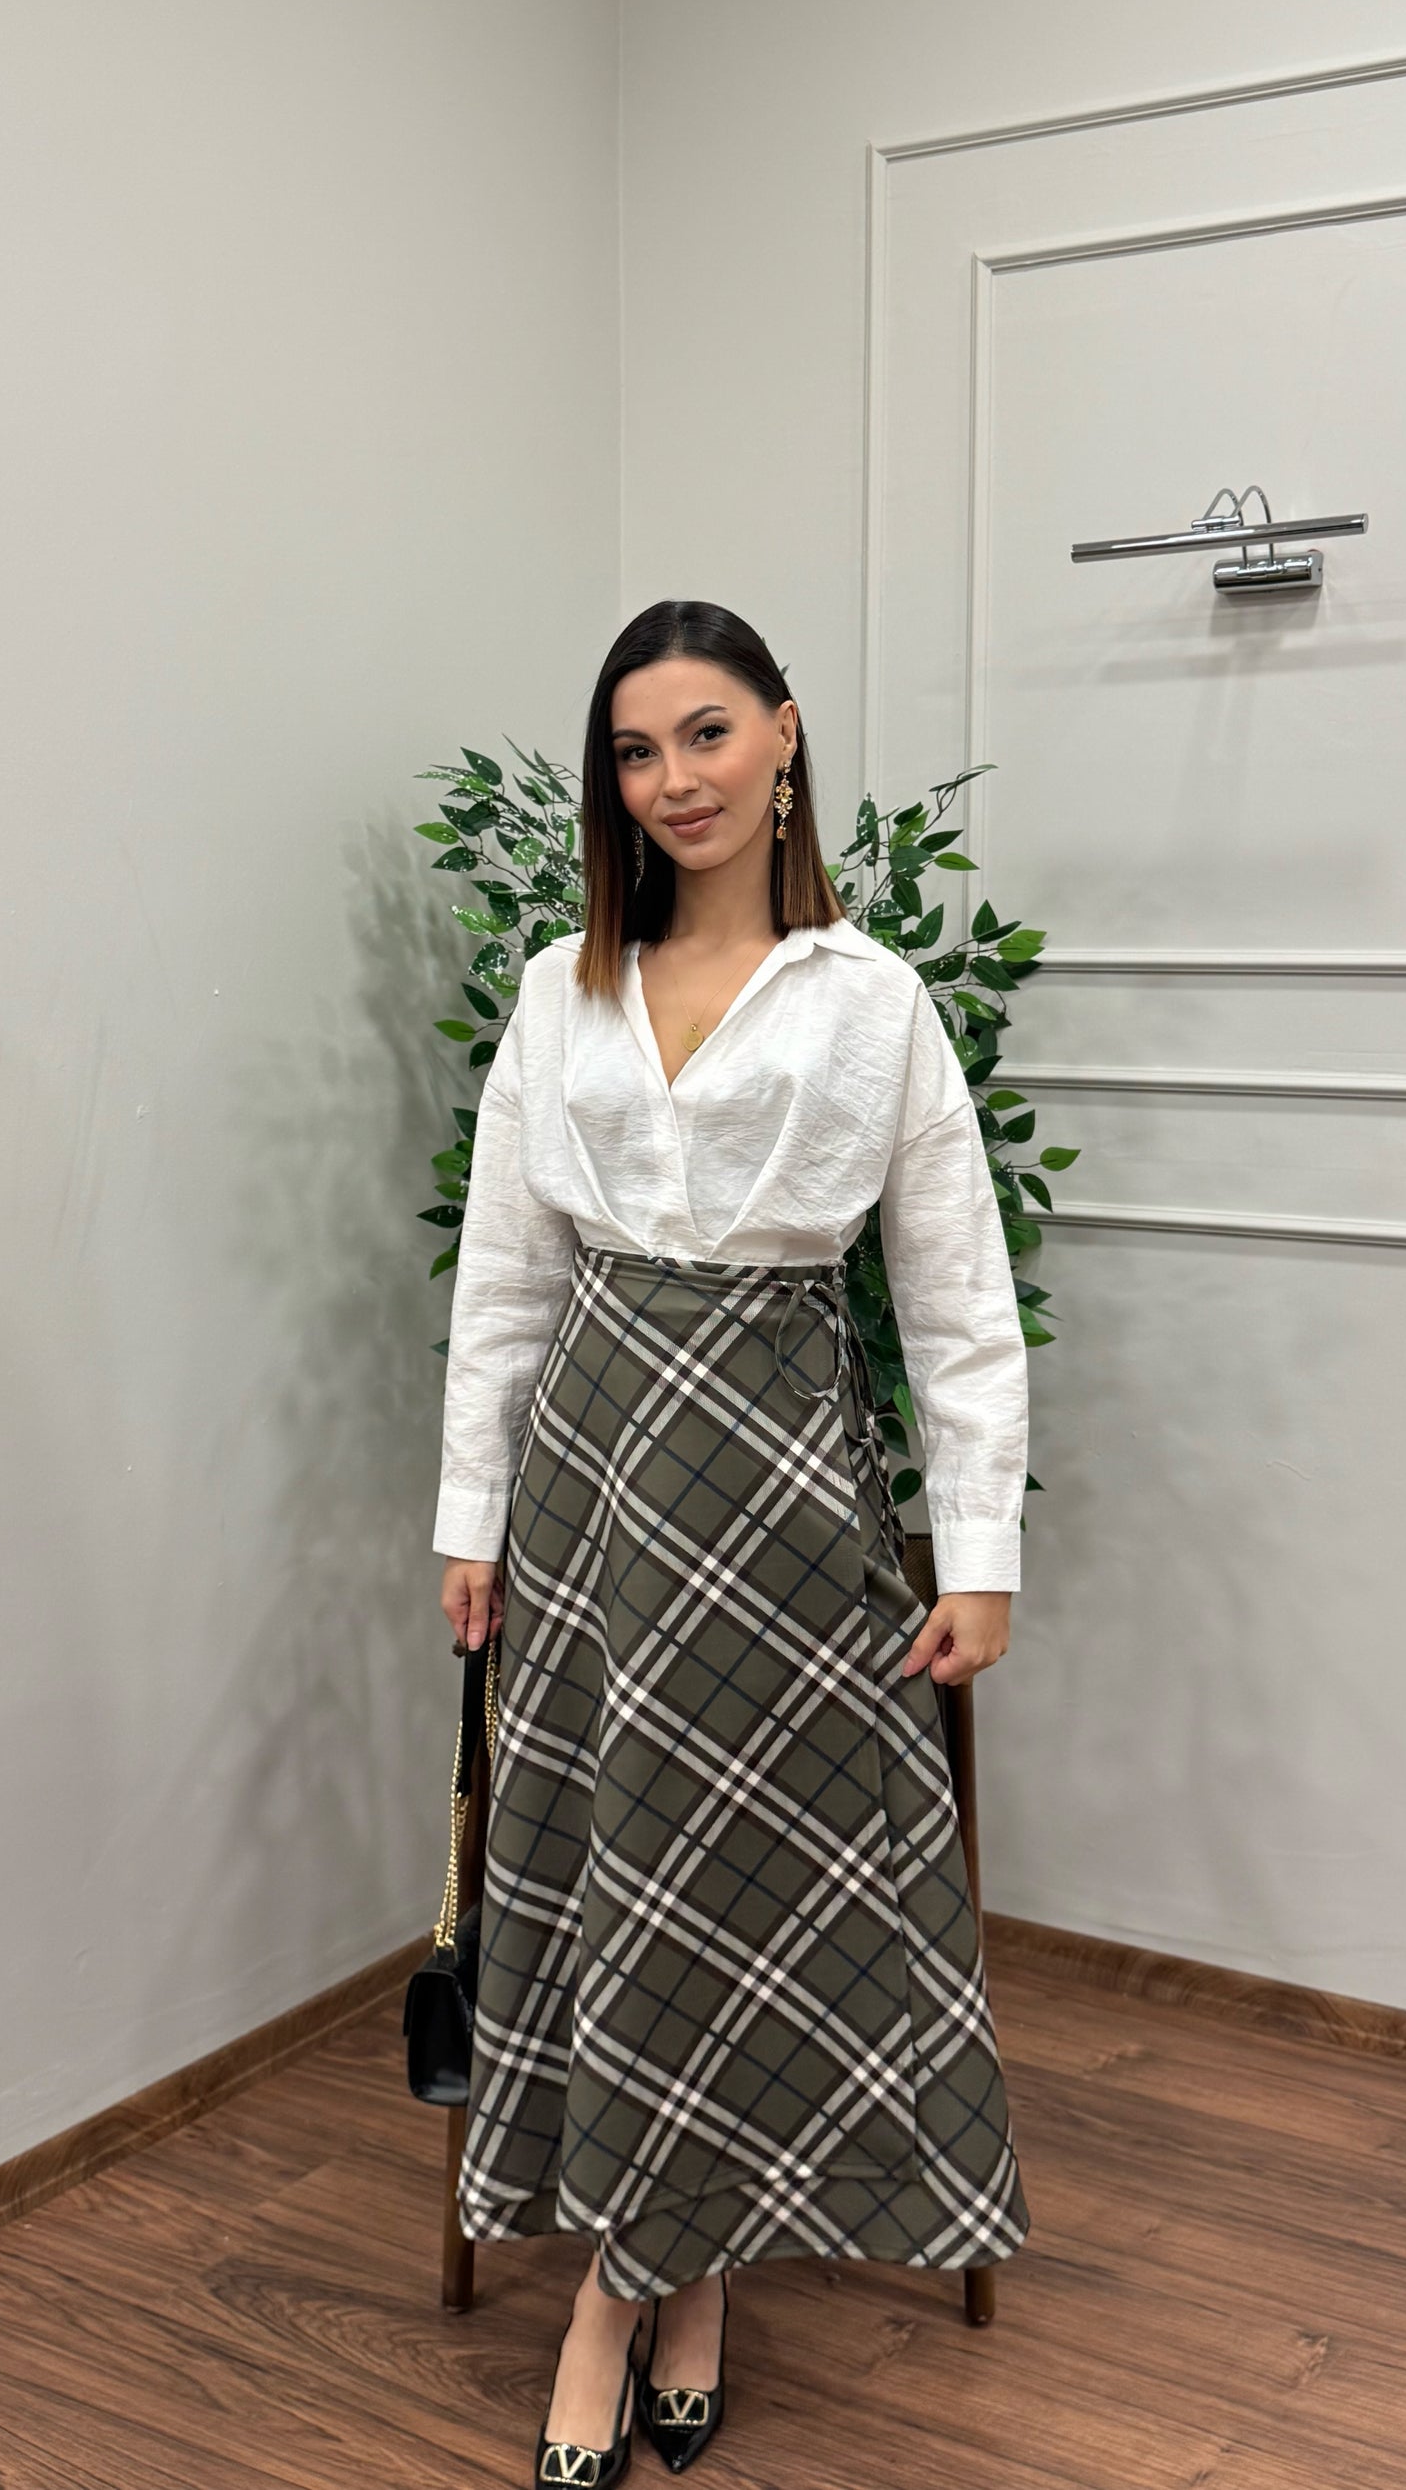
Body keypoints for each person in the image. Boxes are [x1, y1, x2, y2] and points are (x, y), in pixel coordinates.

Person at [433, 599, 1032, 2487]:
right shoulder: (560, 989)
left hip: (777, 1485)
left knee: (731, 1883)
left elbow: (954, 1295)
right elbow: (504, 1280)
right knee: (617, 1872)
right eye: (634, 750)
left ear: (781, 737)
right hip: (592, 1475)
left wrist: (976, 1555)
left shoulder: (870, 1002)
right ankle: (665, 2290)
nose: (671, 779)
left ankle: (621, 2302)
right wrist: (468, 1517)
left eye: (704, 733)